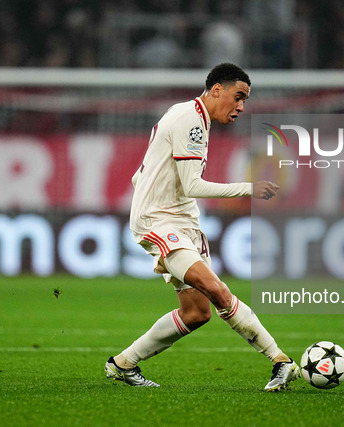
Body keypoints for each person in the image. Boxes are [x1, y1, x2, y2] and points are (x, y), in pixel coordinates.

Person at [104, 63, 300, 392]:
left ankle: (122, 364)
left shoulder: (188, 115)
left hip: (181, 221)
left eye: (245, 101)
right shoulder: (191, 122)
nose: (241, 107)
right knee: (219, 290)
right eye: (238, 97)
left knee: (197, 312)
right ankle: (281, 361)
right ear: (216, 90)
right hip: (160, 221)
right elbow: (193, 185)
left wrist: (151, 189)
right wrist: (249, 188)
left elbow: (141, 174)